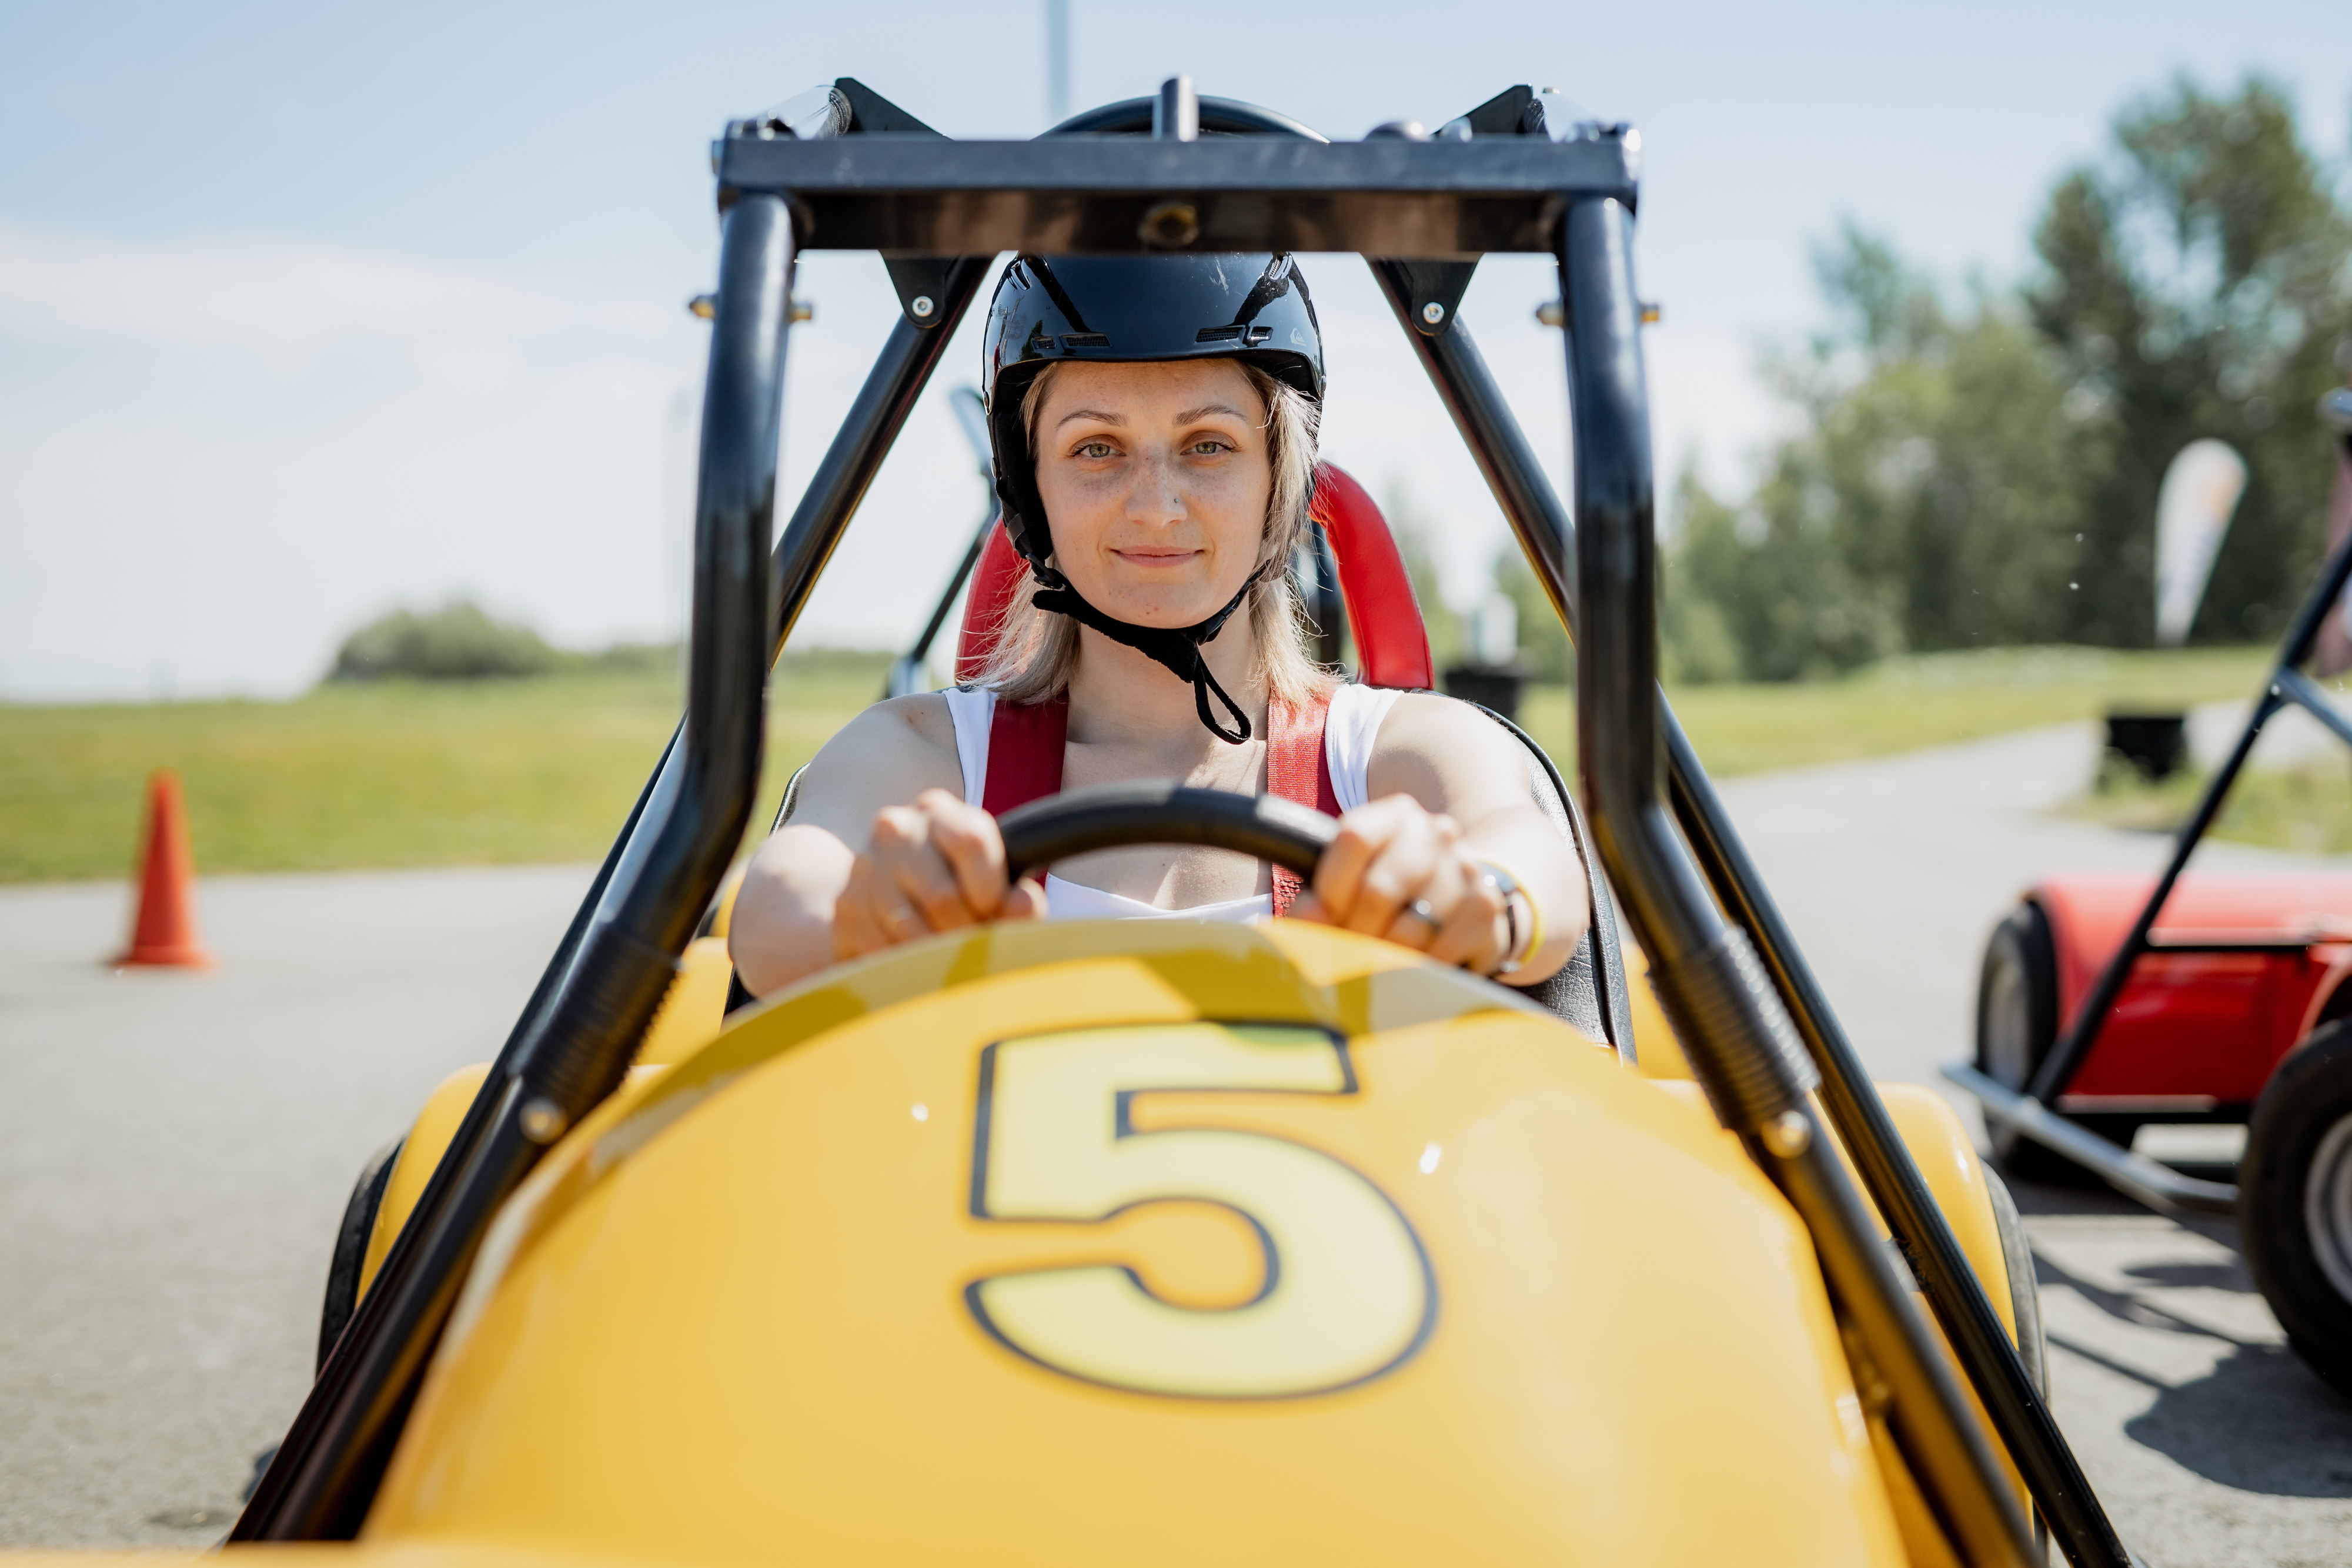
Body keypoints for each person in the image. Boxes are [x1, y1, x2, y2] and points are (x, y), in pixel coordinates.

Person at [729, 253, 1588, 998]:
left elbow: (1534, 860)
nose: (1157, 507)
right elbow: (777, 906)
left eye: (1208, 444)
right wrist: (863, 916)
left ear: (1277, 483)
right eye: (1096, 448)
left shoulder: (1396, 754)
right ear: (1033, 493)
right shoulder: (928, 761)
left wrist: (1481, 901)